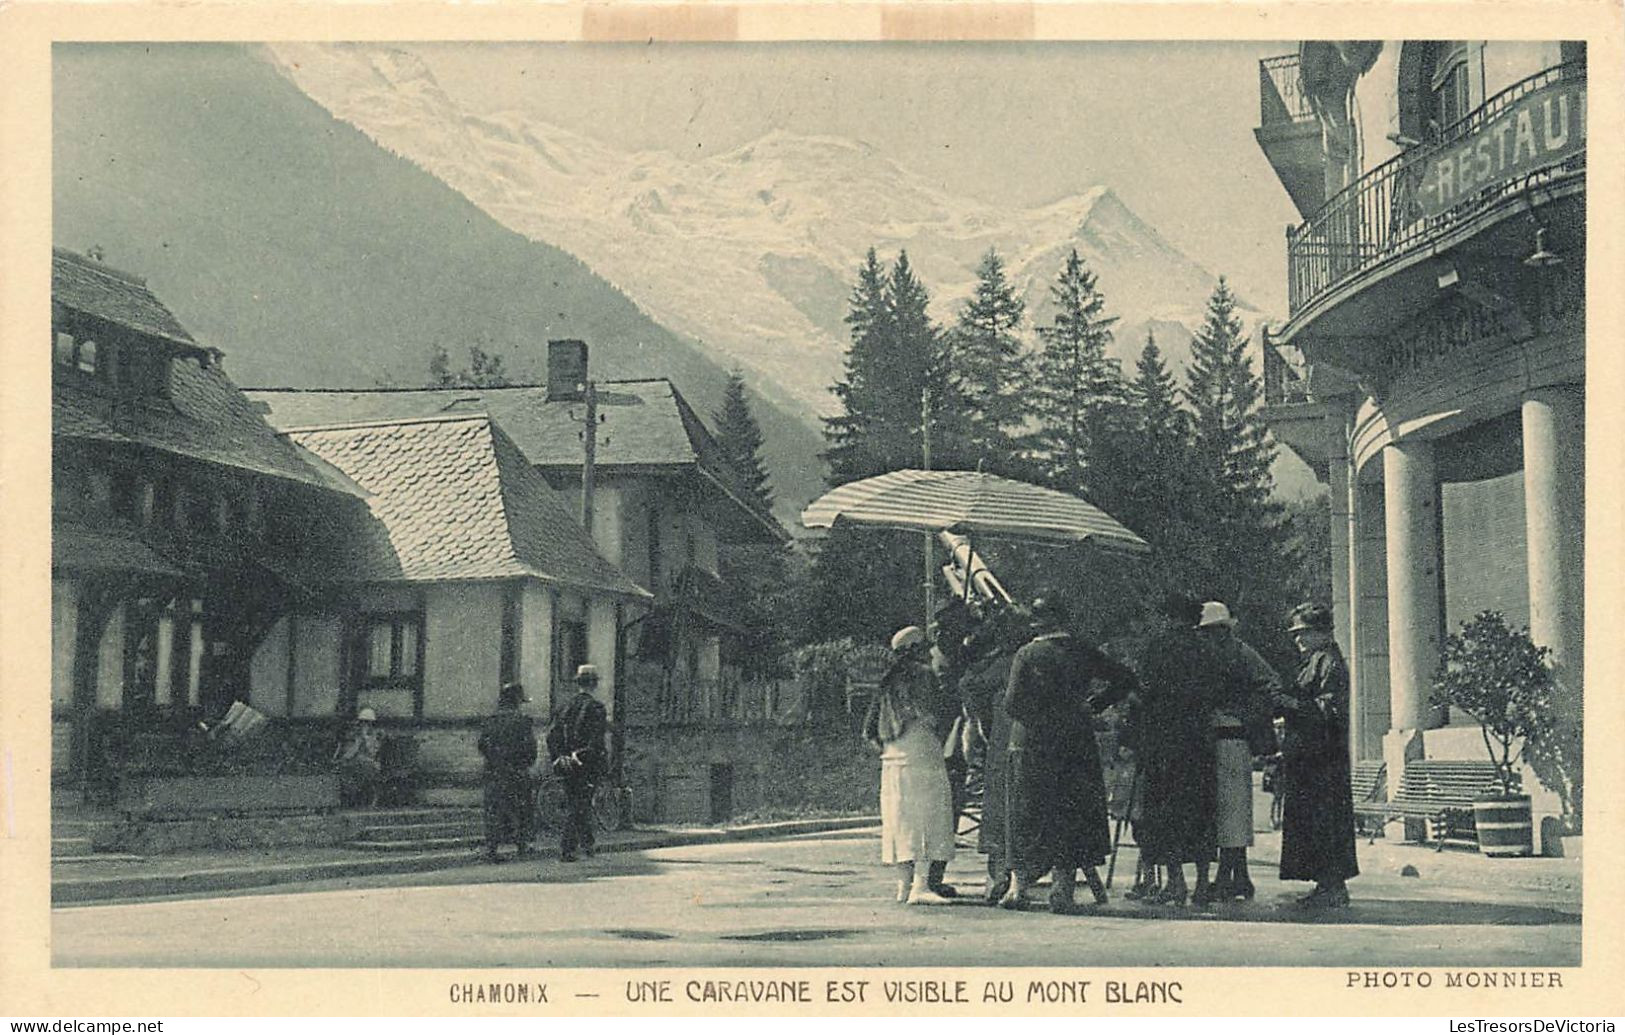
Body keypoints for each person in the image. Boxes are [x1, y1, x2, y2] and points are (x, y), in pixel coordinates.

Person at [1000, 597, 1137, 913]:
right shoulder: (1082, 651)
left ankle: (1019, 888)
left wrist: (1041, 721)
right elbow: (1125, 678)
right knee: (1071, 813)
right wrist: (1094, 705)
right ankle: (1062, 888)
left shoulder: (1027, 653)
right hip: (1075, 741)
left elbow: (1012, 704)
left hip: (1031, 744)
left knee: (1027, 812)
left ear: (1037, 623)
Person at [1134, 594, 1221, 906]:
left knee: (1165, 811)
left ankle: (1176, 882)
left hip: (1164, 741)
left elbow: (1145, 691)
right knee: (1200, 811)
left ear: (1169, 617)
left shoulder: (1157, 647)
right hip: (1199, 740)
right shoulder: (1207, 649)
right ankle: (1201, 883)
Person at [863, 626, 956, 906]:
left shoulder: (887, 681)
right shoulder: (925, 676)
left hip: (892, 756)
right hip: (921, 752)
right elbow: (940, 712)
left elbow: (868, 729)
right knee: (927, 816)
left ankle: (903, 885)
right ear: (916, 648)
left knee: (899, 818)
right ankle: (922, 884)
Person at [1197, 601, 1282, 902]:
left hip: (1232, 736)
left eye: (1210, 630)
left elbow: (1271, 685)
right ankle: (1239, 876)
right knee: (1227, 811)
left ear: (1222, 629)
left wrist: (1246, 713)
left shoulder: (1240, 653)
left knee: (1232, 810)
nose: (1207, 636)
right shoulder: (1223, 654)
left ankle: (1229, 878)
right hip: (1218, 738)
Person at [1277, 602, 1359, 907]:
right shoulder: (1317, 660)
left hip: (1322, 757)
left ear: (1320, 632)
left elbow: (1328, 708)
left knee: (1325, 820)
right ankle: (1326, 883)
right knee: (1315, 821)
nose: (1297, 640)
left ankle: (1333, 885)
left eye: (1303, 633)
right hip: (1312, 755)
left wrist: (1288, 703)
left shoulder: (1328, 662)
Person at [957, 605, 1023, 904]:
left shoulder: (1001, 664)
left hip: (1002, 742)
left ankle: (998, 878)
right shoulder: (1025, 660)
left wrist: (982, 723)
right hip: (1024, 743)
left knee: (998, 809)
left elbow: (970, 687)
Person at [548, 665, 609, 863]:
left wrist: (559, 756)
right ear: (594, 684)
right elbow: (596, 740)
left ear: (578, 683)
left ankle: (588, 844)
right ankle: (567, 849)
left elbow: (551, 736)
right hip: (586, 765)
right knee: (580, 804)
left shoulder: (565, 706)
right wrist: (585, 757)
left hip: (566, 764)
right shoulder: (597, 708)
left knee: (578, 802)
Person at [477, 683, 538, 862]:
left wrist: (494, 760)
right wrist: (523, 764)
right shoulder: (523, 721)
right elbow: (531, 750)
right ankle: (521, 847)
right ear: (517, 701)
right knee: (521, 810)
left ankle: (492, 849)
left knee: (494, 811)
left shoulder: (490, 721)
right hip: (517, 772)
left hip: (494, 772)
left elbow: (482, 745)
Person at [334, 707, 384, 808]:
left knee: (363, 773)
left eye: (367, 722)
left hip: (369, 763)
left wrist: (364, 739)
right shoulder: (356, 735)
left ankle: (366, 800)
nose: (364, 725)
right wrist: (343, 758)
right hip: (357, 762)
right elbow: (350, 749)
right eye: (363, 722)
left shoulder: (374, 736)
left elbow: (373, 751)